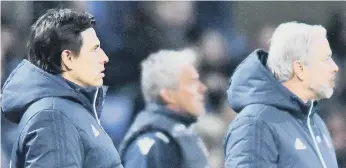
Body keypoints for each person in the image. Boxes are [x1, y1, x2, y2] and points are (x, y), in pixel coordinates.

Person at [1, 8, 123, 168]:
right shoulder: (53, 117)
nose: (104, 58)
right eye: (94, 49)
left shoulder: (66, 110)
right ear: (68, 58)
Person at [224, 22, 339, 168]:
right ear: (300, 68)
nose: (335, 67)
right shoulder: (255, 123)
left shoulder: (317, 123)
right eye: (326, 59)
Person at [119, 49, 210, 168]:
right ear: (168, 95)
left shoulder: (181, 133)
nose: (202, 88)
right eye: (192, 83)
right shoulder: (155, 143)